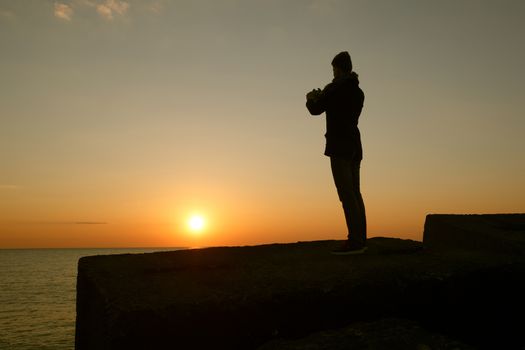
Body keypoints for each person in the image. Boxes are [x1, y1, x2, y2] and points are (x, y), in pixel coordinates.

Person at [305, 51, 367, 255]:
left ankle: (355, 242)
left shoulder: (334, 89)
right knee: (355, 193)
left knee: (346, 194)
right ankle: (361, 239)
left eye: (334, 69)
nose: (333, 73)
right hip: (355, 146)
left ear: (339, 69)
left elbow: (316, 109)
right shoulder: (358, 92)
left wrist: (311, 98)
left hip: (339, 146)